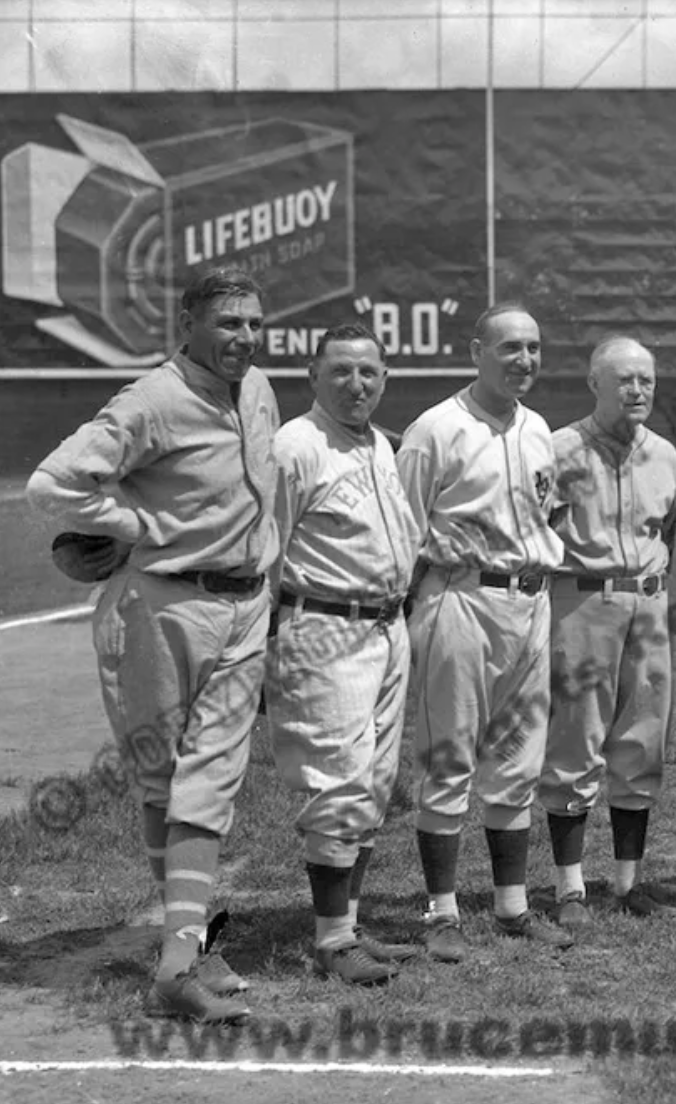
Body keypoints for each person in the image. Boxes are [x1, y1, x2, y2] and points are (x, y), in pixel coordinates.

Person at [27, 266, 276, 1023]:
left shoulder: (258, 390)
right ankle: (186, 953)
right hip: (161, 610)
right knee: (166, 785)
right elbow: (51, 485)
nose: (244, 337)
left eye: (254, 324)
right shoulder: (153, 398)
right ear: (190, 325)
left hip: (244, 606)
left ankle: (178, 958)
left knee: (207, 781)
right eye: (228, 323)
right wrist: (131, 526)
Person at [396, 302, 572, 959]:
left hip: (529, 600)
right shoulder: (434, 429)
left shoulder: (538, 429)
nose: (524, 359)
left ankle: (511, 907)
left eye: (532, 348)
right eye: (509, 348)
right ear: (477, 351)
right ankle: (441, 912)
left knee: (520, 757)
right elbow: (405, 527)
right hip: (459, 598)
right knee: (450, 752)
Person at [263, 322, 422, 985]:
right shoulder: (295, 447)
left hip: (385, 628)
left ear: (385, 378)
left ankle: (349, 927)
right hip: (323, 628)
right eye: (341, 372)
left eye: (369, 372)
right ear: (313, 378)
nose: (357, 384)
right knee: (338, 781)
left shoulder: (379, 444)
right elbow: (263, 553)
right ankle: (331, 941)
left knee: (373, 784)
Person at [540, 336, 676, 925]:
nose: (636, 390)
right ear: (594, 384)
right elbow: (534, 527)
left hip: (648, 603)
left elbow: (666, 528)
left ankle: (628, 883)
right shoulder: (558, 450)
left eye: (645, 379)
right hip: (582, 602)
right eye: (623, 380)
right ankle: (569, 888)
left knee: (642, 739)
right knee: (576, 739)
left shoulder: (666, 454)